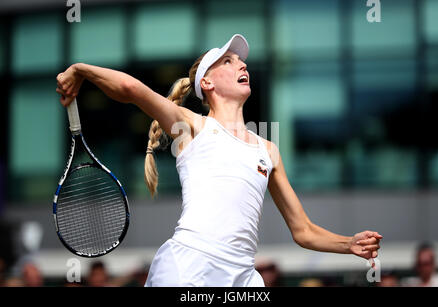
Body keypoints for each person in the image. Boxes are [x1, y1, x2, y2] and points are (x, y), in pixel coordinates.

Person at [56, 34, 383, 287]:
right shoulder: (192, 126)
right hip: (190, 265)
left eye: (241, 61)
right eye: (228, 61)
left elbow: (304, 230)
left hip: (243, 275)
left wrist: (349, 243)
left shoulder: (268, 150)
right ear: (207, 83)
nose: (242, 65)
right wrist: (81, 70)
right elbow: (129, 87)